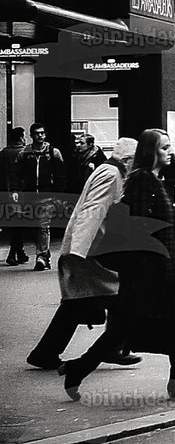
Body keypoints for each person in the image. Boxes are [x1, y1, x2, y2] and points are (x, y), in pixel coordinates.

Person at [61, 129, 175, 402]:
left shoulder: (154, 179)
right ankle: (78, 368)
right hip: (150, 270)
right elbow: (136, 226)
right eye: (165, 148)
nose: (171, 152)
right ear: (150, 152)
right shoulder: (142, 180)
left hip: (164, 267)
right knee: (125, 327)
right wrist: (150, 269)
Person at [26, 138, 142, 372]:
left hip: (88, 248)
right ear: (128, 160)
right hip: (89, 250)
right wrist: (79, 250)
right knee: (119, 294)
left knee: (78, 302)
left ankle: (45, 353)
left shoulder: (108, 171)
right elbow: (93, 210)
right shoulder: (111, 175)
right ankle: (110, 347)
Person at [18, 123, 67, 270]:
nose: (40, 136)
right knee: (35, 226)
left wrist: (58, 195)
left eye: (42, 133)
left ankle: (41, 256)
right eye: (37, 133)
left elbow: (61, 175)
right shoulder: (24, 154)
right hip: (30, 195)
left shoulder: (53, 152)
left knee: (42, 226)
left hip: (47, 195)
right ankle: (45, 256)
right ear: (32, 135)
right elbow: (18, 175)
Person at [1, 127, 30, 266]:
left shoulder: (3, 153)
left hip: (5, 192)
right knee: (19, 224)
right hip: (20, 193)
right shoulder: (24, 153)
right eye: (24, 136)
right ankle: (13, 253)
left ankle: (20, 252)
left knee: (14, 223)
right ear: (20, 138)